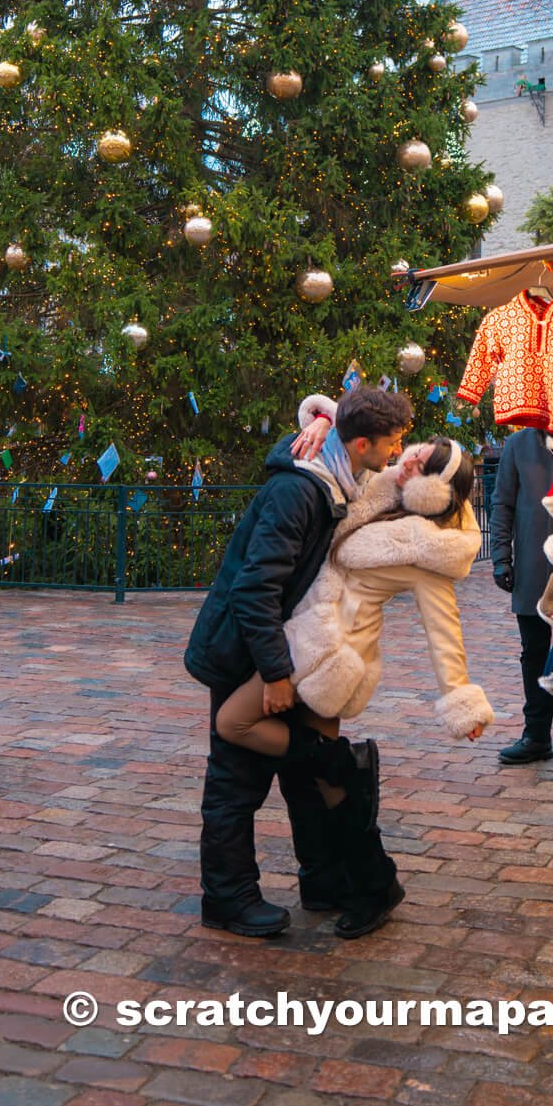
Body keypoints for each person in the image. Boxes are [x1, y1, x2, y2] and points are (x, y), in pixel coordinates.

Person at [184, 384, 411, 941]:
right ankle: (229, 898)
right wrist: (278, 673)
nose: (396, 454)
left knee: (307, 779)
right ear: (359, 444)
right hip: (248, 652)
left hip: (288, 649)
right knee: (236, 785)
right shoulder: (300, 490)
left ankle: (326, 881)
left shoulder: (335, 471)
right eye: (391, 444)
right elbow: (255, 589)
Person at [217, 438, 493, 753]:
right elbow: (358, 438)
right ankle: (343, 767)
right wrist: (323, 420)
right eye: (416, 453)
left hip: (331, 648)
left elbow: (444, 631)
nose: (408, 463)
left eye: (421, 468)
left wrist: (462, 701)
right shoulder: (382, 488)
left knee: (232, 722)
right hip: (309, 627)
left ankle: (343, 763)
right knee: (319, 779)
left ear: (434, 490)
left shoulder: (431, 550)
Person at [490, 426, 553, 764]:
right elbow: (502, 502)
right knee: (534, 652)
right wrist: (501, 556)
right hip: (534, 562)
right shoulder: (519, 444)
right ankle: (536, 734)